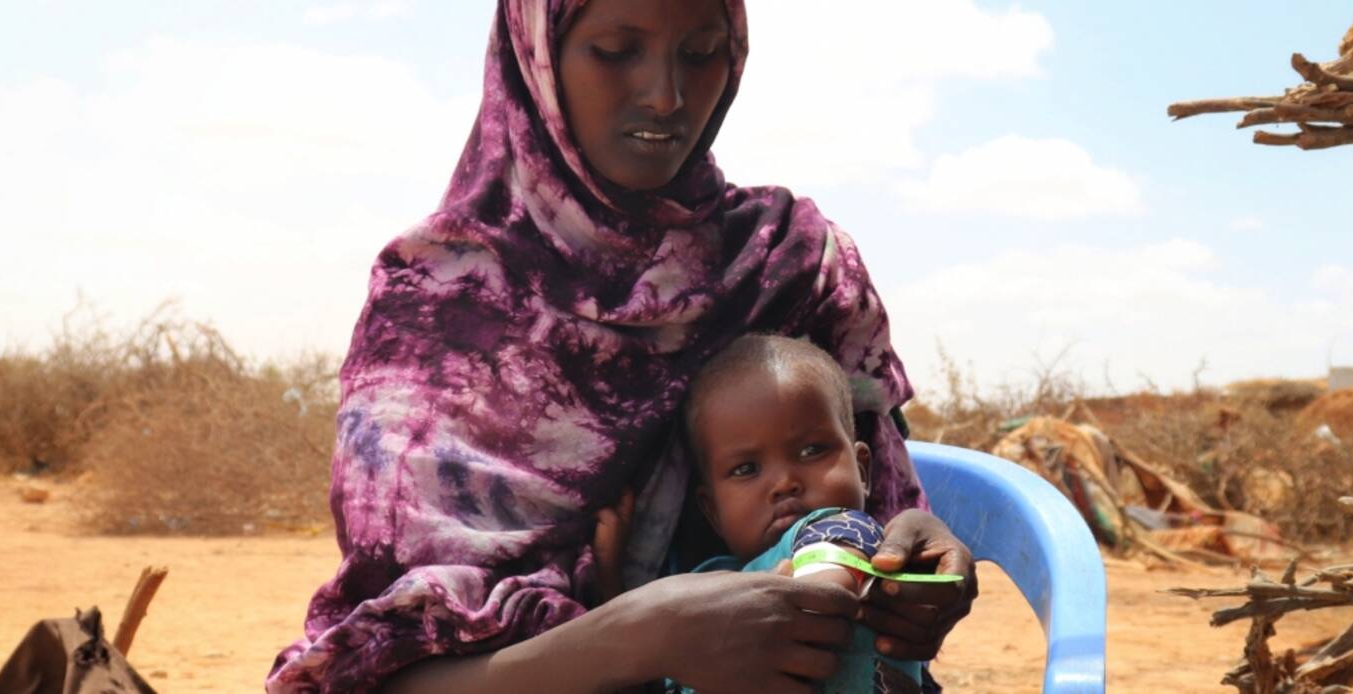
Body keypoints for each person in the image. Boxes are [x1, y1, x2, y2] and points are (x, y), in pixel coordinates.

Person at [266, 1, 980, 692]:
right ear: (538, 55)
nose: (666, 96)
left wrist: (917, 558)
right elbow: (378, 677)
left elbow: (879, 509)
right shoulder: (436, 309)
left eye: (701, 53)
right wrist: (631, 638)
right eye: (616, 51)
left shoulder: (793, 266)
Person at [657, 334, 960, 693]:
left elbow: (824, 592)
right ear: (712, 511)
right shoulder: (703, 579)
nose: (784, 482)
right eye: (746, 469)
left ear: (862, 471)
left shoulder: (843, 529)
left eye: (812, 450)